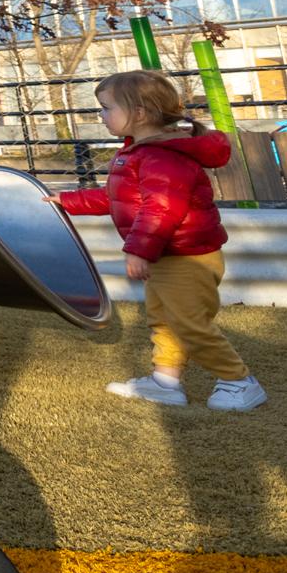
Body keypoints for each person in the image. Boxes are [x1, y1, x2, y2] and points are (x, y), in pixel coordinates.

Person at [57, 70, 265, 412]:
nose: (101, 116)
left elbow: (163, 208)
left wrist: (139, 250)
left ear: (138, 113)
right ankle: (166, 382)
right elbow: (118, 198)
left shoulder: (161, 156)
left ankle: (239, 381)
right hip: (166, 255)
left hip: (187, 257)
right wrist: (67, 201)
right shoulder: (138, 153)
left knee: (188, 322)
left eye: (106, 108)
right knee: (163, 319)